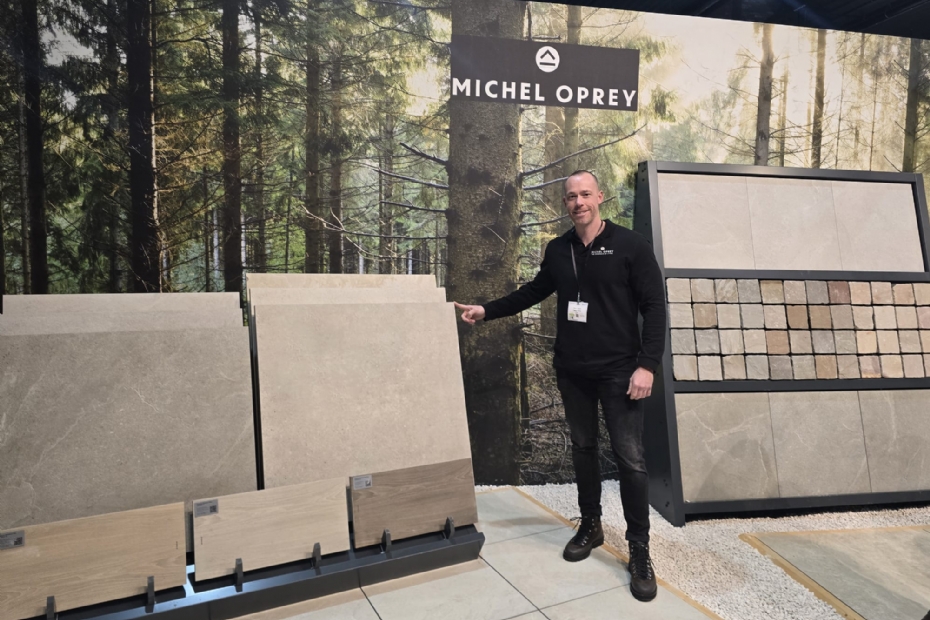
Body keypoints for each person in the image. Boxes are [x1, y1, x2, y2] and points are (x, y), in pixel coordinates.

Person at [454, 169, 666, 602]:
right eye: (571, 196)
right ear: (565, 203)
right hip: (573, 370)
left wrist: (647, 365)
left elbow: (655, 307)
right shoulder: (558, 249)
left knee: (631, 460)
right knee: (583, 449)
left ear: (600, 197)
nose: (578, 202)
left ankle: (640, 549)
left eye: (585, 194)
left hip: (620, 371)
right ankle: (591, 525)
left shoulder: (630, 245)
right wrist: (486, 310)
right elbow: (533, 292)